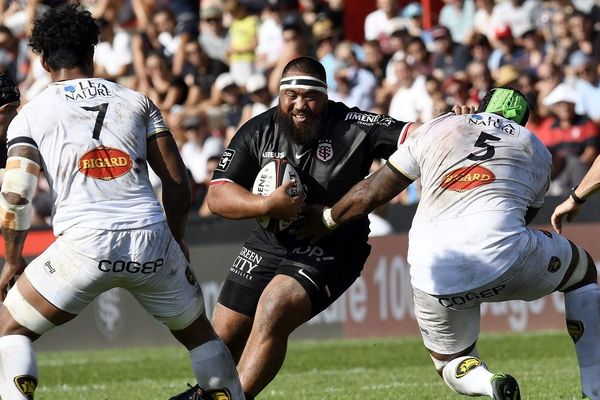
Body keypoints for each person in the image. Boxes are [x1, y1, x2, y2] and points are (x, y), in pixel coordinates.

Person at [0, 5, 244, 400]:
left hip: (84, 244)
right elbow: (178, 183)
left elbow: (15, 195)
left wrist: (12, 259)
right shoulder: (137, 101)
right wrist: (177, 239)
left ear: (43, 60)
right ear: (91, 54)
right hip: (150, 237)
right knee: (200, 336)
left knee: (10, 329)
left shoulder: (29, 116)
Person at [296, 88, 600, 399]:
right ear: (524, 121)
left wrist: (327, 219)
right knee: (583, 272)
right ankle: (594, 390)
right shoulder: (535, 147)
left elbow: (371, 193)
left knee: (452, 362)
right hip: (503, 254)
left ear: (479, 106)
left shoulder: (439, 127)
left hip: (433, 271)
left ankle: (487, 381)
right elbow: (521, 215)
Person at [192, 56, 416, 399]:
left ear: (325, 96)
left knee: (275, 305)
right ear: (279, 96)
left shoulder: (354, 124)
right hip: (269, 240)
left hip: (335, 244)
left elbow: (414, 137)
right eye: (291, 95)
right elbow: (219, 195)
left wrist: (451, 122)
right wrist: (267, 205)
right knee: (222, 337)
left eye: (309, 96)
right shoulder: (257, 129)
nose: (300, 105)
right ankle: (207, 395)